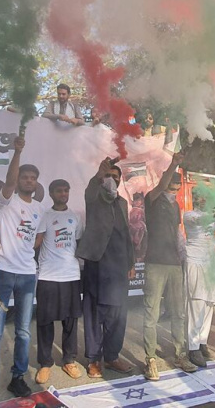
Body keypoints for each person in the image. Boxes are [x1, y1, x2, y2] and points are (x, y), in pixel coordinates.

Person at [0, 137, 43, 407]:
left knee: (24, 331)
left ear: (36, 183)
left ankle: (18, 377)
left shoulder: (39, 209)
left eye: (32, 178)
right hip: (3, 271)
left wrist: (25, 248)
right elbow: (9, 179)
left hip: (27, 274)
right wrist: (18, 152)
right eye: (24, 177)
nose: (28, 180)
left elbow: (39, 236)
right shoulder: (7, 200)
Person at [77, 157, 135, 378]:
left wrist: (131, 262)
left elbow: (126, 234)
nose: (111, 179)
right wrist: (99, 174)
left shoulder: (122, 203)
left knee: (118, 316)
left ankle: (111, 357)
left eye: (115, 177)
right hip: (97, 264)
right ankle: (93, 359)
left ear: (120, 181)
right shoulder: (94, 197)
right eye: (108, 176)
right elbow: (91, 189)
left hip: (119, 267)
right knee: (94, 314)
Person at [143, 152, 198, 381]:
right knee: (151, 313)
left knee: (178, 312)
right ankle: (150, 360)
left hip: (174, 263)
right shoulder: (152, 199)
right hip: (155, 262)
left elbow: (177, 233)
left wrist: (183, 256)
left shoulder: (176, 207)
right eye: (170, 188)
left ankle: (180, 354)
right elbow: (160, 186)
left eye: (176, 189)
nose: (173, 192)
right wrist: (174, 163)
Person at [34, 179, 84, 384]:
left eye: (66, 190)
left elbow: (79, 244)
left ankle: (69, 360)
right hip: (48, 275)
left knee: (70, 320)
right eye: (58, 191)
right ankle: (45, 363)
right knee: (45, 321)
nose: (63, 194)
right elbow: (36, 243)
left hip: (71, 274)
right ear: (51, 194)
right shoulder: (45, 216)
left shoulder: (76, 217)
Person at [183, 189, 215, 368]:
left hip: (210, 266)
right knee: (196, 305)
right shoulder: (189, 215)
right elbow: (201, 220)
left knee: (209, 305)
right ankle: (192, 348)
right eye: (202, 197)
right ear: (195, 199)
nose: (205, 200)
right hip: (195, 263)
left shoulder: (214, 217)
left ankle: (202, 342)